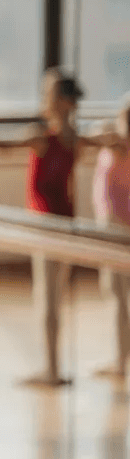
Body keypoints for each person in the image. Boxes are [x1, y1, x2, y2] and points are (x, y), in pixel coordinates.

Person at [0, 70, 119, 386]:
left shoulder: (44, 137)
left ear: (62, 102)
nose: (43, 99)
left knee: (48, 299)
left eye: (47, 93)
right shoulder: (72, 139)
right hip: (63, 225)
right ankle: (52, 367)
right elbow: (108, 140)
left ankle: (52, 371)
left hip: (48, 227)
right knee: (53, 298)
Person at [91, 101, 130, 379]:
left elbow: (91, 136)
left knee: (118, 296)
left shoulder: (119, 143)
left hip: (116, 227)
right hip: (113, 226)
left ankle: (120, 361)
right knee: (116, 295)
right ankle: (119, 358)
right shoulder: (117, 142)